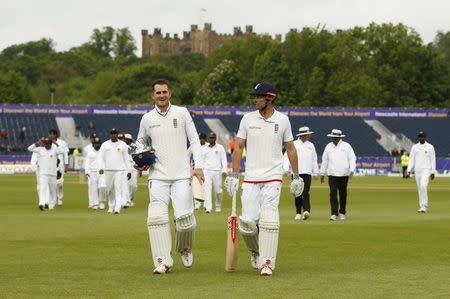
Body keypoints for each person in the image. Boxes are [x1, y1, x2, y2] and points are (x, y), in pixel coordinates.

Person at [225, 82, 304, 276]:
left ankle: (267, 262)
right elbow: (238, 147)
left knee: (269, 219)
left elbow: (291, 149)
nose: (254, 100)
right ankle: (256, 250)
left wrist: (296, 176)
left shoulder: (283, 120)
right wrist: (235, 174)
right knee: (248, 224)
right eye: (254, 96)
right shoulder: (247, 119)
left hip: (273, 178)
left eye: (258, 96)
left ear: (270, 98)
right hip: (251, 178)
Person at [133, 79, 204, 274]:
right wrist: (139, 159)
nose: (162, 96)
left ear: (170, 93)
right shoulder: (147, 118)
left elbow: (195, 140)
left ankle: (185, 247)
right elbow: (140, 143)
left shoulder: (182, 113)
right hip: (158, 176)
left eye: (164, 92)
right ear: (153, 95)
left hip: (181, 174)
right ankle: (163, 261)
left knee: (185, 219)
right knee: (156, 218)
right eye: (158, 93)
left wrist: (198, 166)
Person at [320, 129, 356, 221]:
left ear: (339, 137)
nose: (333, 139)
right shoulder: (328, 146)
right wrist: (322, 173)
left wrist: (352, 170)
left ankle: (342, 212)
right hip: (332, 174)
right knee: (333, 194)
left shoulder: (346, 146)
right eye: (332, 137)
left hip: (344, 174)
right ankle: (334, 213)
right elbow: (325, 160)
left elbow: (352, 158)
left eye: (335, 138)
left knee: (343, 194)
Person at [283, 126, 319, 220]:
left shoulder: (311, 145)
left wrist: (315, 172)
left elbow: (314, 159)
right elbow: (287, 156)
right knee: (297, 193)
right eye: (307, 134)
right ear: (303, 135)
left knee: (306, 192)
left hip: (307, 172)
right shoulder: (294, 144)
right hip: (296, 173)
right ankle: (298, 212)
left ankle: (306, 211)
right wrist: (286, 169)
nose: (309, 136)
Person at [98, 128, 132, 214]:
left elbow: (126, 158)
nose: (113, 135)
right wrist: (101, 167)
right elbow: (100, 157)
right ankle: (111, 206)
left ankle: (117, 208)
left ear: (117, 134)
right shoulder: (105, 145)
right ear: (110, 135)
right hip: (108, 170)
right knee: (109, 189)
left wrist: (129, 171)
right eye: (112, 134)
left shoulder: (123, 144)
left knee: (118, 189)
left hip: (119, 170)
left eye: (115, 134)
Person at [27, 138, 66, 210]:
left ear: (51, 144)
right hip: (43, 173)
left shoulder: (55, 150)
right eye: (46, 144)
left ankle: (51, 205)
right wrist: (36, 143)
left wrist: (56, 144)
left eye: (48, 144)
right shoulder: (40, 150)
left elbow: (63, 151)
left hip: (52, 174)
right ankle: (42, 203)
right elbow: (29, 148)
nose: (47, 145)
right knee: (43, 188)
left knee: (53, 190)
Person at [406, 131, 436, 213]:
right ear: (418, 137)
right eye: (420, 136)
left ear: (425, 137)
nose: (421, 138)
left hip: (426, 170)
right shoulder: (414, 147)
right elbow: (411, 159)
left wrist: (433, 172)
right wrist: (409, 170)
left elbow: (433, 159)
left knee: (423, 186)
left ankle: (424, 205)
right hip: (417, 170)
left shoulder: (430, 147)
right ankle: (421, 206)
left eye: (422, 136)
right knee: (420, 188)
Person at [201, 132, 228, 213]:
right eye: (209, 138)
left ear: (215, 138)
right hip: (207, 171)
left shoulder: (220, 148)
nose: (210, 139)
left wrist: (224, 170)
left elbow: (224, 159)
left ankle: (218, 206)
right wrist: (201, 171)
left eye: (212, 138)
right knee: (207, 189)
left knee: (218, 190)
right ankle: (208, 208)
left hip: (217, 171)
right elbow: (202, 161)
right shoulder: (204, 149)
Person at [48, 129, 69, 206]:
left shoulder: (62, 143)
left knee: (60, 184)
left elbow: (65, 154)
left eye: (52, 134)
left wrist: (66, 165)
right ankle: (52, 199)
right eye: (49, 134)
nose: (50, 136)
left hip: (60, 165)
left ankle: (60, 198)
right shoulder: (47, 142)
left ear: (56, 135)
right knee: (52, 183)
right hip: (51, 164)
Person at [84, 137, 103, 209]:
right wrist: (87, 172)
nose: (97, 145)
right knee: (94, 188)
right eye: (95, 143)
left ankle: (101, 202)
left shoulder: (102, 152)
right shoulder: (90, 153)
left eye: (98, 143)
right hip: (92, 173)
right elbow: (87, 163)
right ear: (93, 144)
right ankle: (95, 204)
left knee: (101, 188)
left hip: (101, 173)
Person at [124, 133, 140, 207]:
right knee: (126, 185)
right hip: (125, 168)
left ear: (129, 140)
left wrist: (140, 169)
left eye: (126, 139)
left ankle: (130, 199)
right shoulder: (122, 146)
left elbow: (137, 158)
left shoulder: (134, 146)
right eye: (124, 139)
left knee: (134, 186)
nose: (125, 140)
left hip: (134, 168)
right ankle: (127, 201)